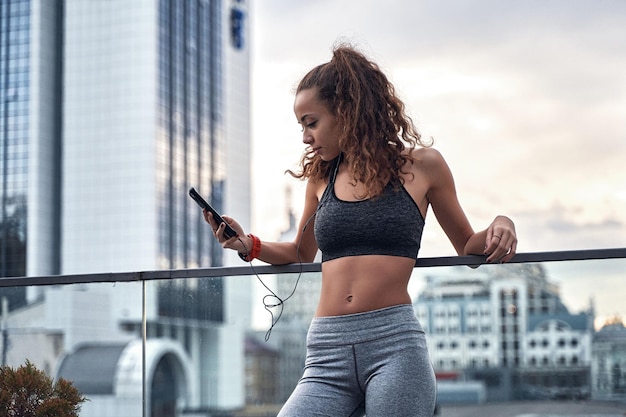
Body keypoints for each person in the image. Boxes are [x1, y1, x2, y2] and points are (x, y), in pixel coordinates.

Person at [204, 44, 517, 417]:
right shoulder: (321, 177)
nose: (305, 137)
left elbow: (467, 245)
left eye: (311, 122)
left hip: (394, 347)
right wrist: (248, 244)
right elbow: (302, 254)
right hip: (326, 352)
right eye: (301, 125)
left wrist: (502, 223)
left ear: (346, 113)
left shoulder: (424, 167)